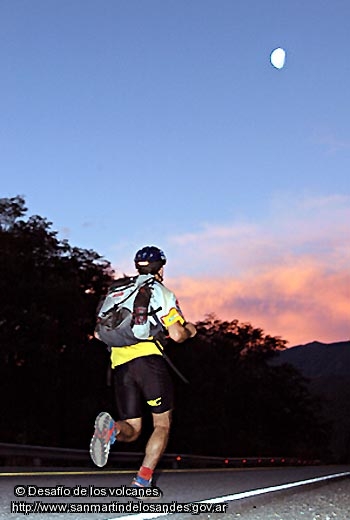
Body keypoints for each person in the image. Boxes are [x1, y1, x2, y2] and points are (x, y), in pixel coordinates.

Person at [90, 246, 197, 490]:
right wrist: (192, 329)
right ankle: (142, 480)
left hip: (120, 366)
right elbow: (177, 335)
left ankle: (113, 430)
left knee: (134, 428)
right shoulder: (160, 291)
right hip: (149, 362)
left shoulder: (117, 291)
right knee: (161, 424)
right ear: (161, 268)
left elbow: (98, 333)